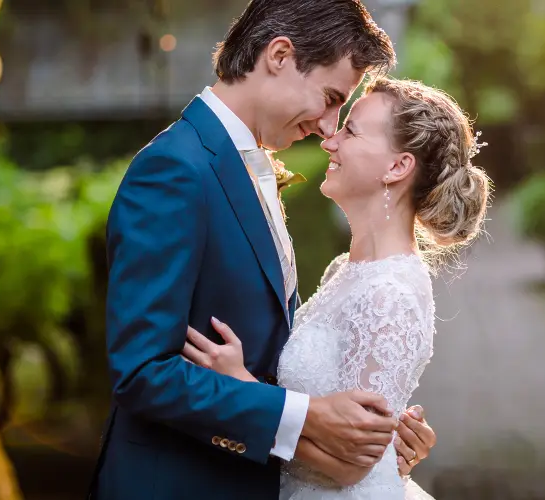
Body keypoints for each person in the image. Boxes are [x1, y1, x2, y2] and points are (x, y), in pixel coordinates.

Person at [88, 1, 439, 499]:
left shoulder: (250, 165)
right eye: (331, 97)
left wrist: (374, 436)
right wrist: (310, 417)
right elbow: (143, 372)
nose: (328, 126)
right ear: (279, 55)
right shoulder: (174, 171)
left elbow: (276, 347)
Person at [183, 77, 491, 498]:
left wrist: (242, 389)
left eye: (351, 130)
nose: (330, 140)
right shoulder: (344, 270)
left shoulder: (390, 294)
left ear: (397, 167)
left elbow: (352, 465)